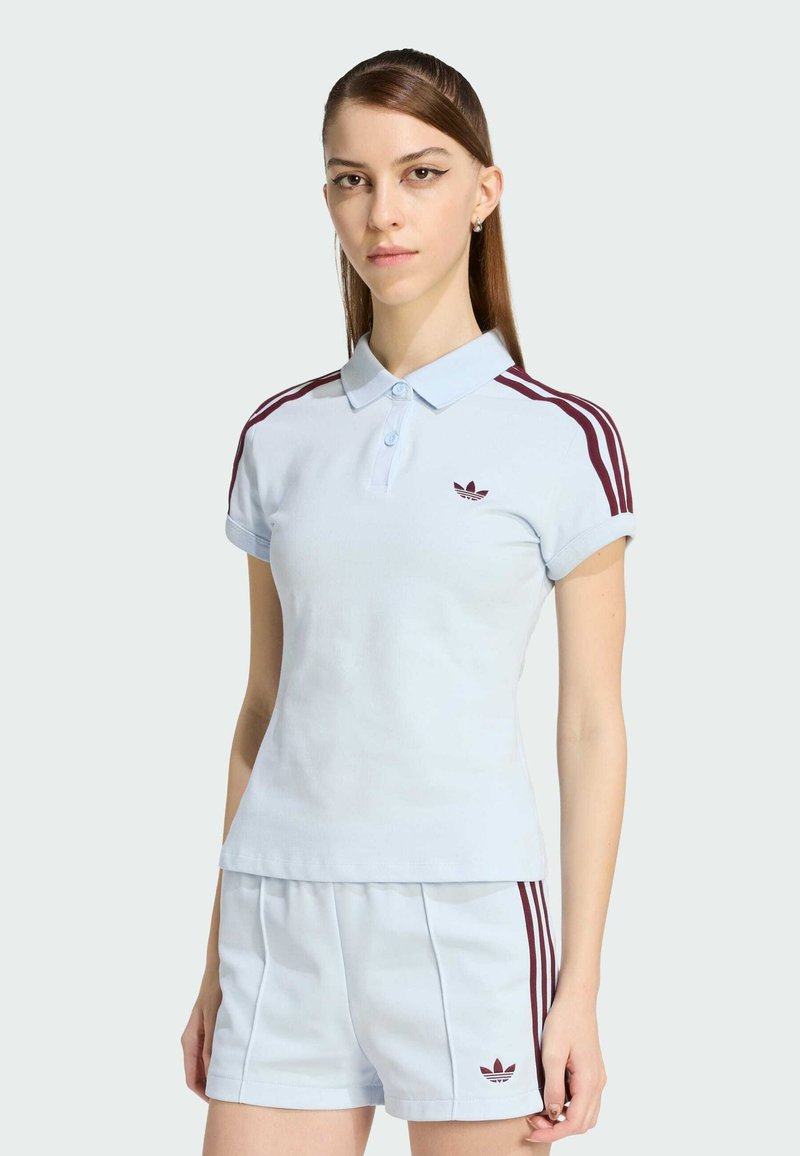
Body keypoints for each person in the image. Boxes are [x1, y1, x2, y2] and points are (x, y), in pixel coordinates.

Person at [183, 48, 636, 1156]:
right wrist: (213, 959)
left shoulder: (561, 438)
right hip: (281, 913)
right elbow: (263, 708)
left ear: (484, 191)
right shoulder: (278, 436)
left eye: (420, 173)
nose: (382, 211)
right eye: (352, 179)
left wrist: (578, 987)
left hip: (466, 915)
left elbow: (590, 724)